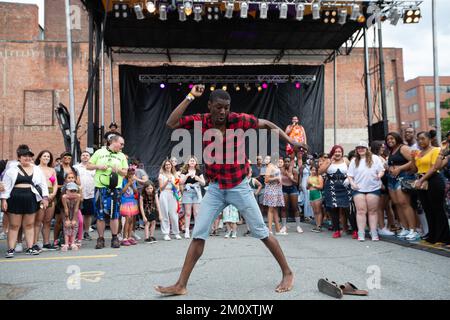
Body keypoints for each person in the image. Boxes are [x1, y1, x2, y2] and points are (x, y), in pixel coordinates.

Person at [155, 85, 306, 295]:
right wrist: (190, 96)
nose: (223, 112)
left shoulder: (239, 120)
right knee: (198, 235)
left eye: (226, 108)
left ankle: (288, 272)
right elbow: (171, 122)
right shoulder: (202, 120)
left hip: (239, 186)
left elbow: (267, 124)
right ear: (210, 106)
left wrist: (290, 141)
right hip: (216, 188)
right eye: (218, 107)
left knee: (262, 232)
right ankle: (181, 285)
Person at [1, 145, 49, 258]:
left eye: (29, 156)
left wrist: (45, 198)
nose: (27, 158)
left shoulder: (37, 169)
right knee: (14, 225)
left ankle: (30, 247)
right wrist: (4, 200)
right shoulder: (11, 170)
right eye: (24, 156)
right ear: (19, 157)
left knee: (29, 224)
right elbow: (6, 187)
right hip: (14, 198)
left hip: (31, 198)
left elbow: (43, 184)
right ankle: (10, 249)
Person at [87, 135, 128, 249]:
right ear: (114, 142)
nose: (122, 146)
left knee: (114, 214)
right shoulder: (99, 152)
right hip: (101, 187)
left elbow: (125, 172)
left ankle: (114, 238)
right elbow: (88, 166)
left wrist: (118, 170)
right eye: (121, 144)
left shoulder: (121, 156)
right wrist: (98, 166)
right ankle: (100, 239)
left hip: (115, 188)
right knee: (100, 215)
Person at [412, 132, 450, 246]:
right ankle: (432, 236)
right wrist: (412, 158)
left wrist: (421, 180)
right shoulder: (418, 153)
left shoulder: (436, 150)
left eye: (423, 139)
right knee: (427, 209)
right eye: (418, 139)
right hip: (421, 181)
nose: (420, 141)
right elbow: (415, 169)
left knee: (437, 209)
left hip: (433, 180)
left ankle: (444, 238)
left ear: (429, 139)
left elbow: (435, 168)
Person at [347, 141, 385, 242]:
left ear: (367, 148)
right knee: (360, 211)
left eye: (362, 147)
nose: (360, 149)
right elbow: (349, 175)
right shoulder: (354, 160)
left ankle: (373, 232)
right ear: (356, 150)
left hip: (373, 187)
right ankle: (361, 233)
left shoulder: (375, 158)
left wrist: (379, 175)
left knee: (372, 211)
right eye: (358, 148)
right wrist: (352, 183)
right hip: (358, 188)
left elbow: (382, 170)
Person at [385, 132, 419, 240]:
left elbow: (413, 161)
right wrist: (388, 167)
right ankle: (405, 228)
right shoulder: (391, 150)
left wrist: (399, 168)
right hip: (392, 179)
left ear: (397, 138)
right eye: (388, 139)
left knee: (404, 203)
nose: (390, 141)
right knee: (397, 204)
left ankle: (413, 230)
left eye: (392, 138)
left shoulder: (403, 148)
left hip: (404, 178)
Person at [319, 145, 355, 239]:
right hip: (331, 187)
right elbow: (319, 172)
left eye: (339, 151)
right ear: (333, 152)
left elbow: (353, 171)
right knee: (333, 209)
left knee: (348, 208)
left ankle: (355, 230)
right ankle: (336, 230)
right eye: (336, 151)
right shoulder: (328, 160)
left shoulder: (346, 160)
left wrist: (349, 179)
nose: (338, 153)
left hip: (345, 186)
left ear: (342, 153)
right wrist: (329, 162)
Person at [54, 151, 80, 247]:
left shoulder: (74, 169)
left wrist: (74, 185)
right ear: (61, 158)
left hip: (73, 197)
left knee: (73, 219)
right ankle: (56, 240)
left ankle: (71, 240)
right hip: (60, 196)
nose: (67, 159)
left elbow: (78, 182)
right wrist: (64, 186)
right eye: (65, 157)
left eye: (69, 157)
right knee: (59, 220)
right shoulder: (57, 169)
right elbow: (54, 184)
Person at [34, 150, 58, 251]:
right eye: (44, 156)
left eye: (48, 156)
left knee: (47, 221)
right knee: (38, 221)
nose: (46, 158)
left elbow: (55, 183)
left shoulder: (52, 170)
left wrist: (53, 194)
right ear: (39, 157)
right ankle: (34, 243)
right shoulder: (35, 169)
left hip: (51, 196)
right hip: (39, 196)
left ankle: (46, 243)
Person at [180, 156, 205, 239]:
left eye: (193, 161)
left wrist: (197, 178)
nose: (192, 162)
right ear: (188, 162)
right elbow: (180, 182)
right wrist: (187, 175)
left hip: (196, 192)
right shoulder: (184, 171)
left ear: (196, 163)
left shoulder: (198, 171)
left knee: (196, 213)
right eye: (190, 160)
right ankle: (187, 231)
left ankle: (196, 230)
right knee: (187, 213)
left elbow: (203, 183)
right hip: (187, 192)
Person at [74, 151, 96, 241]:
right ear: (80, 157)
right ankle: (76, 233)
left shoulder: (94, 168)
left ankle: (86, 232)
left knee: (88, 214)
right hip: (78, 194)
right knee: (76, 214)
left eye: (87, 155)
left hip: (90, 194)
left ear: (90, 157)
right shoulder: (75, 167)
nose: (85, 157)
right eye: (83, 155)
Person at [158, 159, 182, 241]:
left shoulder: (175, 175)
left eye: (169, 164)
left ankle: (176, 233)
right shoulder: (161, 175)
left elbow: (177, 187)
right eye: (166, 165)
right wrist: (166, 181)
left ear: (172, 166)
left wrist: (172, 181)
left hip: (172, 194)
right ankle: (166, 233)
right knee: (164, 214)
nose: (168, 166)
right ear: (164, 166)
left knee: (174, 214)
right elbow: (161, 188)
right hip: (164, 194)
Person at [280, 157, 303, 234]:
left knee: (295, 207)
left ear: (290, 163)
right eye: (285, 161)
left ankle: (298, 226)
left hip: (292, 188)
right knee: (284, 208)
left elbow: (296, 183)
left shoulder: (294, 170)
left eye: (288, 161)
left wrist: (289, 176)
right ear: (283, 162)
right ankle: (284, 226)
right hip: (283, 189)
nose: (286, 163)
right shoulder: (280, 170)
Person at [264, 157, 285, 235]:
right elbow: (266, 180)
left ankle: (278, 230)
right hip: (271, 190)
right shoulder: (270, 166)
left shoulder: (275, 166)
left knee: (275, 209)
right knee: (271, 209)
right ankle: (269, 230)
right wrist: (276, 178)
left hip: (277, 189)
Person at [119, 168, 139, 246]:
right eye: (130, 174)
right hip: (125, 201)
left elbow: (136, 192)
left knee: (131, 220)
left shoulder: (133, 181)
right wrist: (128, 184)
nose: (131, 175)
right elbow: (122, 192)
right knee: (127, 219)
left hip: (132, 201)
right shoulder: (123, 181)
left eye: (133, 174)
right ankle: (124, 237)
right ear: (126, 173)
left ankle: (130, 237)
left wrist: (132, 184)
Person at [61, 182, 82, 251]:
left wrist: (74, 219)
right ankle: (66, 243)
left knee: (75, 225)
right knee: (66, 226)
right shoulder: (64, 197)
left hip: (74, 212)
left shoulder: (78, 197)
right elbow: (65, 209)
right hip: (66, 213)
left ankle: (73, 242)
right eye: (71, 191)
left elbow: (76, 209)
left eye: (74, 191)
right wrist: (67, 219)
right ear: (66, 191)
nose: (73, 193)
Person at [307, 163, 324, 232]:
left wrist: (313, 184)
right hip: (311, 194)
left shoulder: (319, 177)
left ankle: (319, 226)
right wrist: (308, 185)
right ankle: (317, 225)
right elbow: (307, 187)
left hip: (317, 193)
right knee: (314, 211)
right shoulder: (309, 177)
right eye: (312, 170)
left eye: (315, 170)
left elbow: (321, 187)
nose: (313, 171)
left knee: (318, 211)